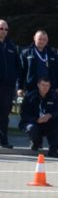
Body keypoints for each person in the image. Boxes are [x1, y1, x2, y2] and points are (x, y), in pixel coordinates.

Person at [18, 77, 58, 158]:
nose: (45, 87)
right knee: (32, 128)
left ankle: (53, 149)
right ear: (38, 85)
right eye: (43, 85)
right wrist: (36, 119)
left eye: (47, 85)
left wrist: (50, 115)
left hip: (48, 123)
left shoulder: (54, 96)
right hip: (33, 122)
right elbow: (24, 114)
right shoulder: (30, 96)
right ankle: (36, 143)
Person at [18, 30, 58, 97]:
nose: (42, 41)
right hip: (31, 88)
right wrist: (20, 87)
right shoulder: (26, 53)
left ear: (47, 40)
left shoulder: (52, 53)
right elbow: (21, 72)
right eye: (39, 39)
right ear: (34, 38)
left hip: (50, 88)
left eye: (44, 39)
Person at [0, 19, 21, 149]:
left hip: (7, 87)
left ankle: (4, 141)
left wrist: (17, 84)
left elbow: (18, 67)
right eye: (1, 28)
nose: (3, 31)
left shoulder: (12, 47)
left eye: (6, 29)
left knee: (4, 115)